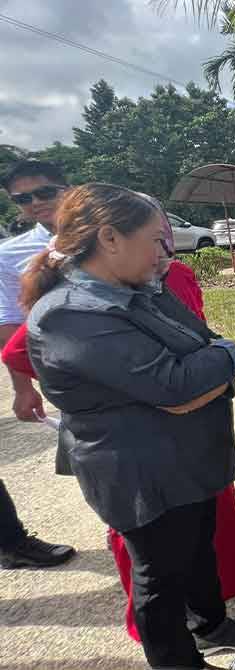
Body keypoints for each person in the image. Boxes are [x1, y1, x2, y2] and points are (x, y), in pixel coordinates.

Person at [23, 183, 235, 669]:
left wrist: (213, 363)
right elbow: (178, 385)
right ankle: (176, 660)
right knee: (160, 575)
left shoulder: (135, 290)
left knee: (198, 549)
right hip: (140, 470)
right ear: (110, 238)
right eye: (155, 239)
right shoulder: (71, 313)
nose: (164, 252)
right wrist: (226, 359)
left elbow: (204, 341)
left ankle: (212, 624)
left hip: (185, 455)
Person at [0, 159, 74, 569]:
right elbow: (11, 323)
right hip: (66, 369)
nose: (36, 203)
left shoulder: (107, 230)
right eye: (23, 198)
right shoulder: (11, 255)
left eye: (44, 192)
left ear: (66, 187)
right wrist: (23, 385)